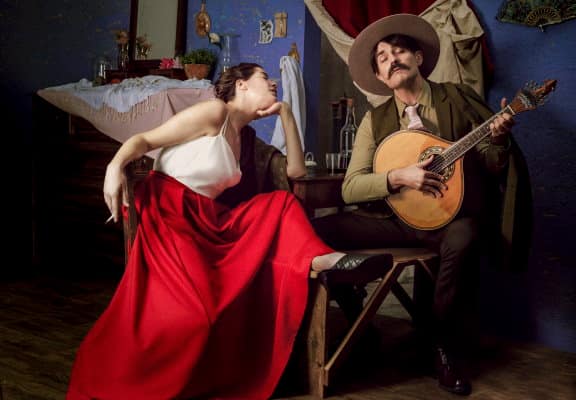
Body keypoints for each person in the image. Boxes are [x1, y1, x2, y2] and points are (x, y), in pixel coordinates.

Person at [66, 63, 392, 400]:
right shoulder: (214, 112)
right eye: (265, 78)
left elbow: (296, 171)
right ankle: (129, 379)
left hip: (209, 219)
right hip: (170, 213)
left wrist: (286, 114)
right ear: (241, 85)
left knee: (280, 203)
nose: (274, 83)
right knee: (199, 317)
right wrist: (114, 167)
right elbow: (145, 139)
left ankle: (325, 259)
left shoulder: (246, 138)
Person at [312, 14, 531, 396]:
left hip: (447, 219)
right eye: (382, 58)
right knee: (316, 231)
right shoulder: (374, 121)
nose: (392, 59)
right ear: (380, 77)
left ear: (418, 58)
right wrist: (399, 177)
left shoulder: (457, 98)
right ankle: (358, 321)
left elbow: (493, 165)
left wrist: (497, 140)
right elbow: (351, 188)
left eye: (399, 51)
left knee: (465, 238)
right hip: (393, 218)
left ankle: (443, 347)